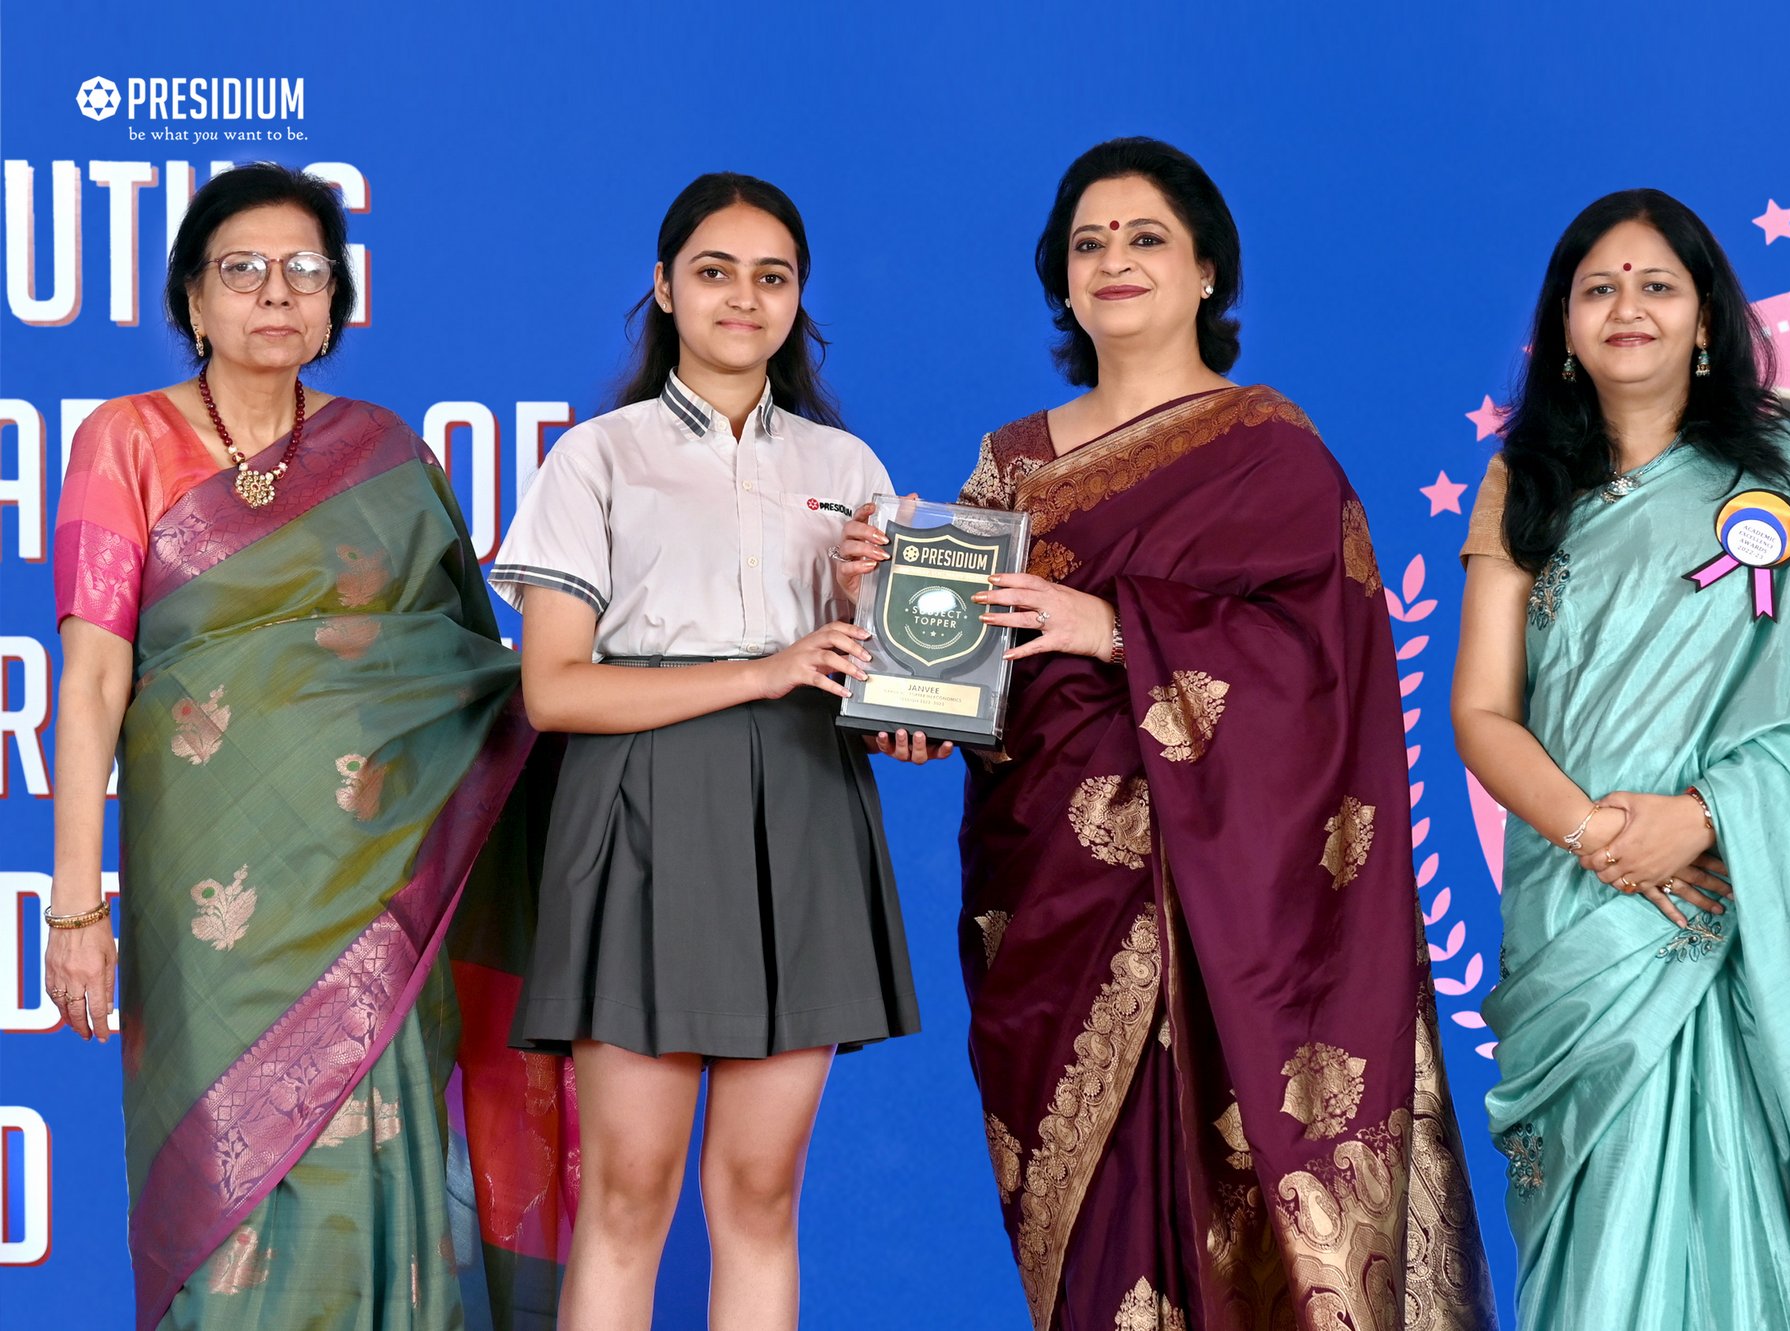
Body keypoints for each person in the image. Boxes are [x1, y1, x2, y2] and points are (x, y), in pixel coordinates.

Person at [860, 137, 1495, 1331]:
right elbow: (971, 682)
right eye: (1087, 242)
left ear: (1206, 270)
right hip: (1048, 911)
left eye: (1145, 237)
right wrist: (908, 682)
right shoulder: (1009, 464)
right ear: (1060, 280)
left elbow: (1323, 674)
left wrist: (1115, 626)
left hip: (1231, 923)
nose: (1114, 260)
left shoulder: (1270, 450)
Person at [44, 163, 562, 1329]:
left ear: (335, 300)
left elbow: (461, 673)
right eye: (242, 269)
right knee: (231, 1176)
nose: (275, 291)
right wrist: (75, 907)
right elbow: (91, 680)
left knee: (375, 1149)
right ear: (193, 298)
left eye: (303, 269)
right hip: (213, 907)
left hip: (375, 889)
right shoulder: (124, 441)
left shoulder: (385, 454)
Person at [1452, 188, 1790, 1330]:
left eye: (1657, 285)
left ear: (1704, 320)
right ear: (1563, 326)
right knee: (1597, 1251)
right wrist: (1599, 834)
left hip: (1732, 900)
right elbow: (1483, 711)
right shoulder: (1522, 481)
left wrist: (1699, 817)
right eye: (1598, 288)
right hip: (1583, 916)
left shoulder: (1787, 474)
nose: (1626, 307)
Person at [489, 171, 920, 1331]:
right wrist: (764, 669)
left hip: (807, 810)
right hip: (640, 809)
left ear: (798, 300)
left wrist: (905, 704)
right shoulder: (596, 458)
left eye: (772, 277)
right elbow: (553, 690)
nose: (744, 297)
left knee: (760, 1192)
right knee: (628, 1193)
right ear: (665, 288)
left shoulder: (849, 470)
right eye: (715, 271)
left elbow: (880, 689)